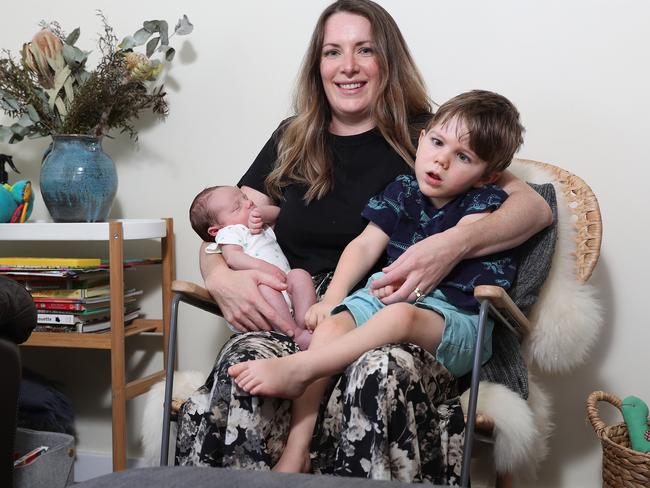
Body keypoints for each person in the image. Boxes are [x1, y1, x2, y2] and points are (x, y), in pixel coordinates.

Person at [175, 1, 552, 484]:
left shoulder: (429, 136)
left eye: (364, 50)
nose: (347, 67)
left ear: (388, 60)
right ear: (318, 64)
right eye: (333, 52)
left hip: (395, 305)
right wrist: (219, 274)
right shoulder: (292, 137)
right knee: (244, 364)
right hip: (302, 309)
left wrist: (453, 244)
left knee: (378, 370)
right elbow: (222, 219)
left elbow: (535, 207)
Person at [228, 89, 524, 473]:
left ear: (487, 176)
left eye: (463, 157)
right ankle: (297, 448)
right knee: (332, 325)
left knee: (400, 316)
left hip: (453, 317)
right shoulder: (402, 190)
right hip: (389, 297)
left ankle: (302, 369)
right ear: (422, 140)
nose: (441, 160)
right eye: (436, 143)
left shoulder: (482, 205)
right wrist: (332, 297)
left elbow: (441, 252)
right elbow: (365, 244)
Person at [189, 185, 316, 350]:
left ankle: (304, 323)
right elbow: (233, 257)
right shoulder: (231, 232)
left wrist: (262, 213)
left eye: (244, 197)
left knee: (300, 275)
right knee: (266, 287)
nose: (248, 203)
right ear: (216, 230)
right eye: (237, 207)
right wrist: (263, 267)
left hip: (284, 284)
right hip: (261, 296)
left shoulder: (260, 227)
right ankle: (295, 334)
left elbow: (279, 213)